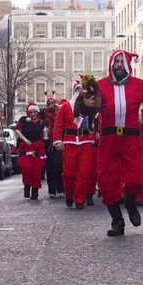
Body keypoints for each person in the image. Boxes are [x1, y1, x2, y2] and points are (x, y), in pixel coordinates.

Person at [97, 50, 143, 236]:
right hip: (109, 139)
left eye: (122, 62)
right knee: (106, 182)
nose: (119, 65)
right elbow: (85, 108)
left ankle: (130, 202)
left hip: (131, 138)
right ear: (111, 64)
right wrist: (85, 104)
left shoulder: (138, 85)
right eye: (116, 61)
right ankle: (117, 221)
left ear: (128, 65)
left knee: (136, 180)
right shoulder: (101, 86)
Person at [52, 81, 95, 209]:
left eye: (83, 90)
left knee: (84, 172)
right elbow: (58, 125)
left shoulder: (89, 107)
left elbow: (96, 121)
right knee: (69, 173)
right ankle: (69, 194)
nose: (81, 92)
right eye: (78, 89)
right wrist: (57, 141)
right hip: (70, 143)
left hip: (85, 142)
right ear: (75, 92)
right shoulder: (65, 107)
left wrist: (95, 129)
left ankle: (80, 198)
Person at [14, 103, 47, 200]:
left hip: (37, 148)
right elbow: (16, 130)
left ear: (37, 112)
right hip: (25, 148)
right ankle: (27, 186)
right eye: (31, 112)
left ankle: (35, 191)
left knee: (37, 171)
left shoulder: (42, 123)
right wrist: (24, 139)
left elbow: (44, 136)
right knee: (26, 168)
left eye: (34, 112)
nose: (33, 114)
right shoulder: (24, 120)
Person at [41, 94, 64, 199]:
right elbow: (35, 111)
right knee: (50, 166)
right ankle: (52, 191)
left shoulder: (59, 114)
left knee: (59, 165)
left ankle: (60, 189)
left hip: (58, 141)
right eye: (49, 104)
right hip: (48, 143)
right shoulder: (43, 115)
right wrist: (47, 109)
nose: (51, 106)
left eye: (52, 104)